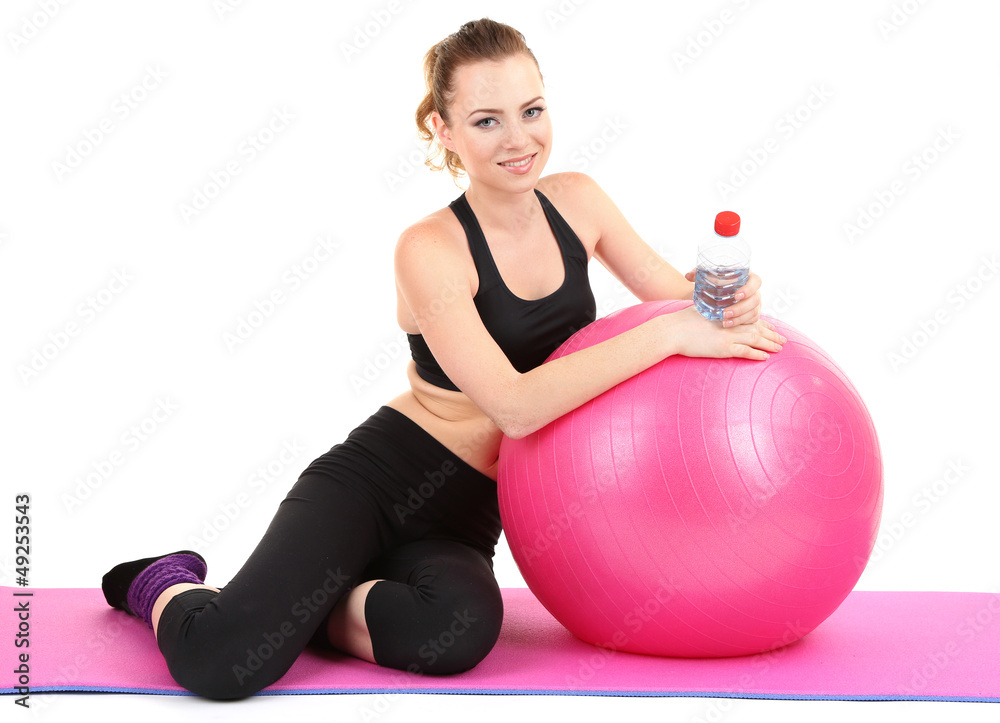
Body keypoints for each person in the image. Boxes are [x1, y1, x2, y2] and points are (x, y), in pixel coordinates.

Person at [100, 17, 785, 700]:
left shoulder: (579, 201)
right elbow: (514, 406)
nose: (520, 140)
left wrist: (726, 295)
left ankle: (307, 606)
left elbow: (680, 305)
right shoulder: (428, 248)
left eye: (532, 110)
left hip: (468, 514)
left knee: (459, 630)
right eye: (487, 121)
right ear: (443, 129)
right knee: (222, 661)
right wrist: (672, 335)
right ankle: (161, 579)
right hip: (378, 481)